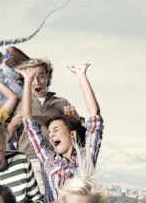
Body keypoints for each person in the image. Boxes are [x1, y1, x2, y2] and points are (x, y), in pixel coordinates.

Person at [19, 63, 104, 202]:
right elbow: (28, 121)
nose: (51, 135)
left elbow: (95, 117)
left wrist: (81, 76)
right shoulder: (49, 159)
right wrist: (27, 81)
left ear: (72, 134)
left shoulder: (85, 158)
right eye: (50, 132)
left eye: (56, 130)